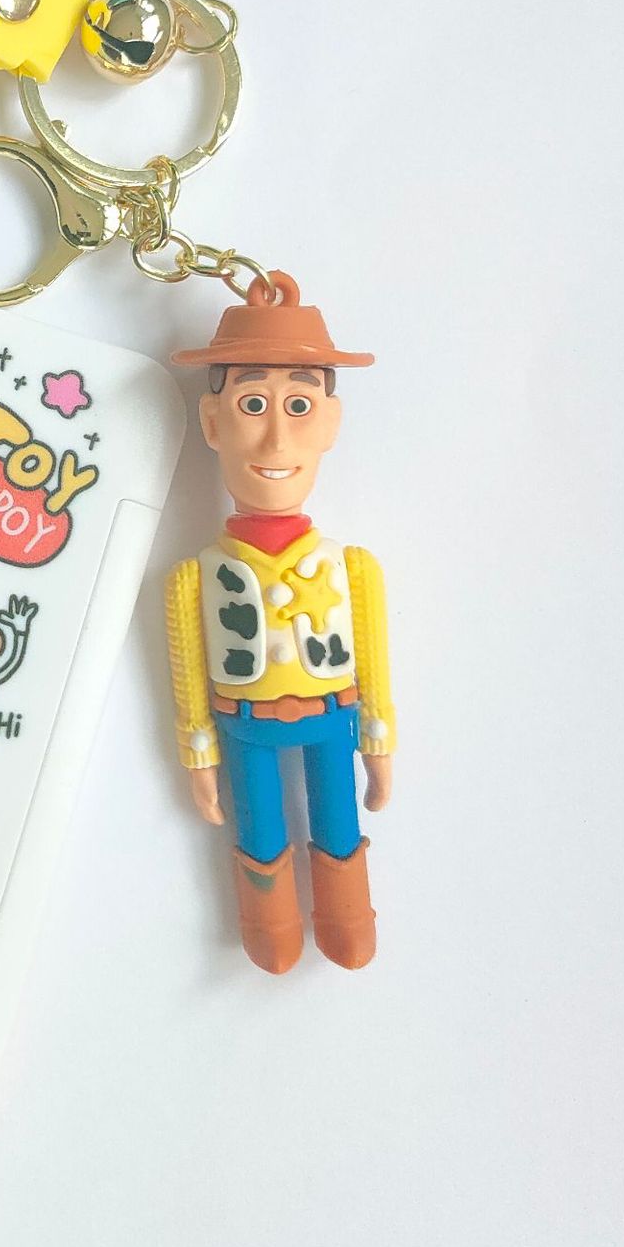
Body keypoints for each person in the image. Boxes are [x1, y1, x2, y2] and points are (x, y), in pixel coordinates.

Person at [163, 272, 394, 973]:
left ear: (330, 423)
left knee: (339, 824)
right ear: (212, 423)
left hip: (333, 717)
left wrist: (378, 742)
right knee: (259, 832)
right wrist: (200, 756)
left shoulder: (351, 567)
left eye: (299, 405)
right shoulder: (193, 578)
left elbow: (375, 662)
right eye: (252, 404)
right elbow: (188, 675)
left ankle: (348, 916)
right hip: (244, 729)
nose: (274, 437)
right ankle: (268, 923)